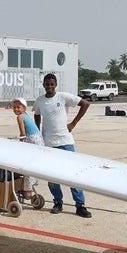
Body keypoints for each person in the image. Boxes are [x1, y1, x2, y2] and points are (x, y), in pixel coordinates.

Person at [32, 73, 92, 218]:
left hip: (65, 141)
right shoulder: (39, 101)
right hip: (48, 144)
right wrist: (38, 131)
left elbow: (85, 104)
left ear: (56, 85)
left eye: (52, 84)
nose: (49, 87)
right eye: (47, 84)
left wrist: (73, 123)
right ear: (43, 85)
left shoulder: (63, 97)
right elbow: (37, 114)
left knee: (73, 174)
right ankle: (57, 202)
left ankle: (80, 205)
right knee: (52, 176)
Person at [10, 97, 43, 198]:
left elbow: (23, 133)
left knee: (27, 166)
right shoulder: (26, 115)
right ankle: (30, 187)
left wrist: (20, 143)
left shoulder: (20, 117)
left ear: (24, 108)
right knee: (33, 165)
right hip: (38, 140)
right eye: (14, 107)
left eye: (18, 107)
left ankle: (27, 192)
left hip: (32, 140)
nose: (16, 109)